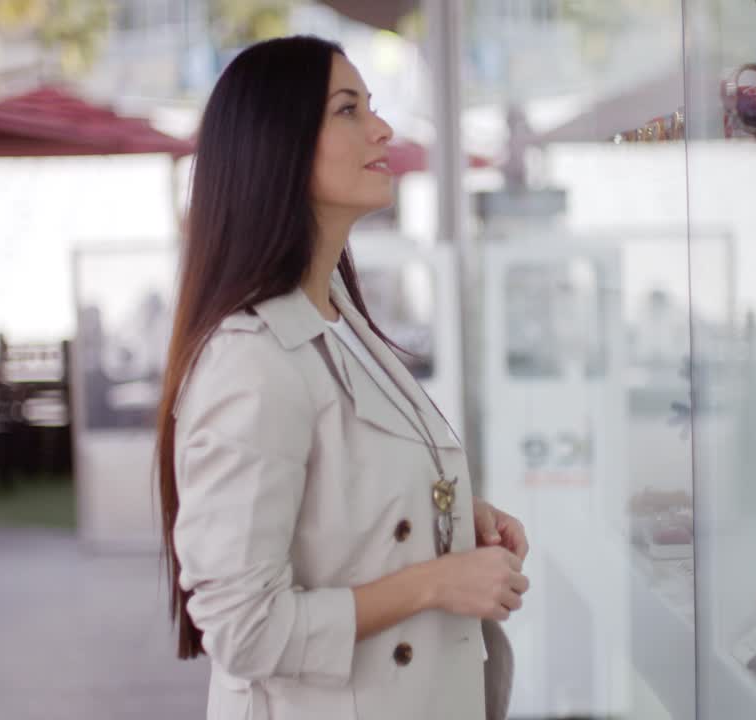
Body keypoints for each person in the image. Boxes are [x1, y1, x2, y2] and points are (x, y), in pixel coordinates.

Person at [155, 36, 530, 720]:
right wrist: (435, 582)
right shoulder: (250, 358)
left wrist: (449, 520)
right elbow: (244, 629)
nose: (381, 128)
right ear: (278, 145)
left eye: (372, 107)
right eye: (348, 109)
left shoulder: (337, 318)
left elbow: (343, 501)